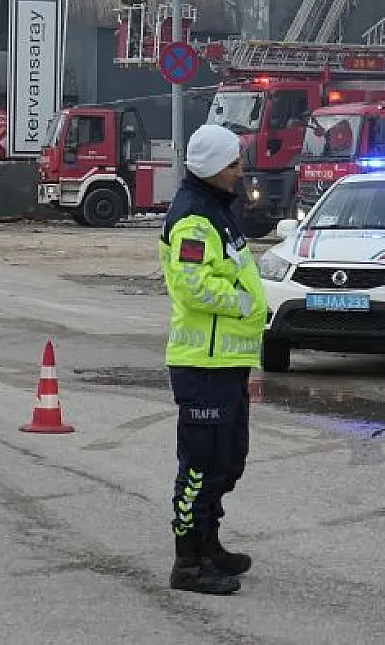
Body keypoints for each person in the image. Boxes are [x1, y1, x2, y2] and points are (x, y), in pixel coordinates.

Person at [160, 124, 268, 596]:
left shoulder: (219, 211)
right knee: (200, 463)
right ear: (211, 169)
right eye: (232, 164)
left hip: (227, 361)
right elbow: (192, 284)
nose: (240, 171)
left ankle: (210, 544)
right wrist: (243, 302)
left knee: (228, 459)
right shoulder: (194, 218)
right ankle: (188, 562)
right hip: (202, 364)